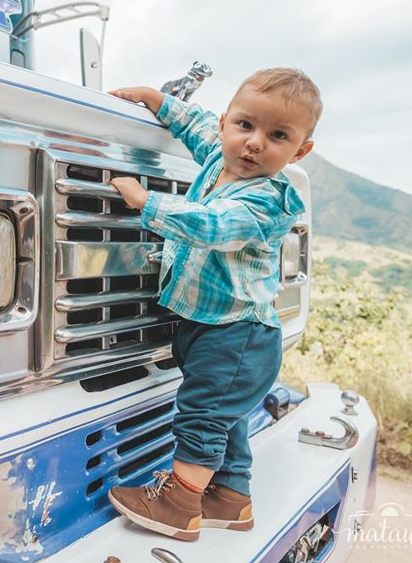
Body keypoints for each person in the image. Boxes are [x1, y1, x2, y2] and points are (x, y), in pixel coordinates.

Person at [105, 68, 322, 542]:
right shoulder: (219, 158)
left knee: (202, 415)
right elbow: (197, 125)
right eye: (245, 126)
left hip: (238, 334)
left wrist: (146, 202)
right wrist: (156, 100)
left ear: (299, 151)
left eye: (278, 135)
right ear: (228, 124)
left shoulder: (265, 200)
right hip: (210, 326)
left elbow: (212, 225)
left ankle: (178, 505)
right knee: (225, 420)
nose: (254, 144)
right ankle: (230, 498)